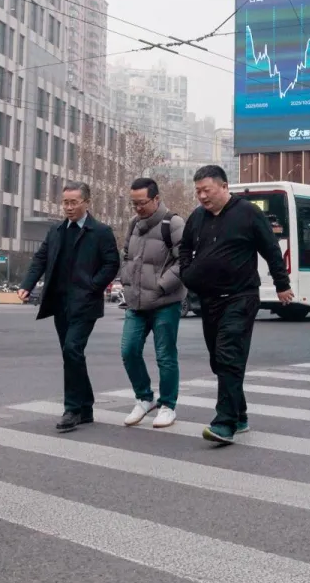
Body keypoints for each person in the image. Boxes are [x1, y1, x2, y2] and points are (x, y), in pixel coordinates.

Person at [179, 164, 293, 445]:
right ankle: (239, 414)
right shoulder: (197, 217)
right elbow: (184, 247)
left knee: (229, 354)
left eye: (206, 190)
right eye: (198, 192)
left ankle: (224, 423)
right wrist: (187, 271)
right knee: (219, 361)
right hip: (208, 299)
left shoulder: (248, 213)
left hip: (241, 297)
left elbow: (270, 248)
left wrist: (282, 284)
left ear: (224, 186)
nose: (202, 196)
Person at [18, 183, 121, 431]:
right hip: (60, 302)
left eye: (74, 202)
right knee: (70, 352)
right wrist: (27, 285)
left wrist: (92, 286)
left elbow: (111, 264)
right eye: (65, 202)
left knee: (73, 349)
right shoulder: (56, 231)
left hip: (85, 303)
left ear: (86, 202)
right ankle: (86, 407)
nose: (69, 207)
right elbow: (40, 259)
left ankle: (72, 409)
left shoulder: (100, 231)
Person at [119, 177, 186, 429]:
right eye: (133, 203)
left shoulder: (174, 223)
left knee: (165, 355)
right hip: (136, 302)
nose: (138, 208)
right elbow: (126, 255)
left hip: (165, 302)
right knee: (129, 350)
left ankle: (167, 405)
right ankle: (144, 398)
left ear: (156, 199)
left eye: (142, 203)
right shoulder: (133, 224)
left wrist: (160, 286)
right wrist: (127, 283)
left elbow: (185, 261)